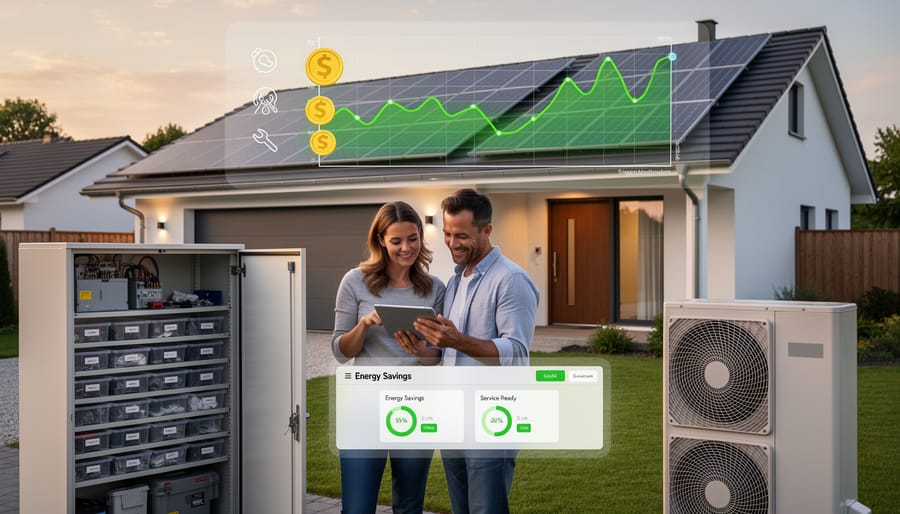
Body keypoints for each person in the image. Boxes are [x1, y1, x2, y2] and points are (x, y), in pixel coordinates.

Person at [400, 188, 539, 514]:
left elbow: (516, 352)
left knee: (485, 509)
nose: (452, 243)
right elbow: (448, 353)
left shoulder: (511, 280)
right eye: (447, 234)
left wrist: (457, 339)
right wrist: (421, 349)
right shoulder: (457, 280)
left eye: (461, 235)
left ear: (486, 230)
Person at [331, 201, 446, 514]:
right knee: (357, 507)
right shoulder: (354, 281)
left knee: (409, 506)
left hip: (415, 406)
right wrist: (366, 322)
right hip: (364, 406)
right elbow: (341, 351)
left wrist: (419, 350)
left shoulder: (434, 289)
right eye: (396, 241)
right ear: (380, 240)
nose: (406, 248)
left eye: (412, 239)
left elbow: (438, 356)